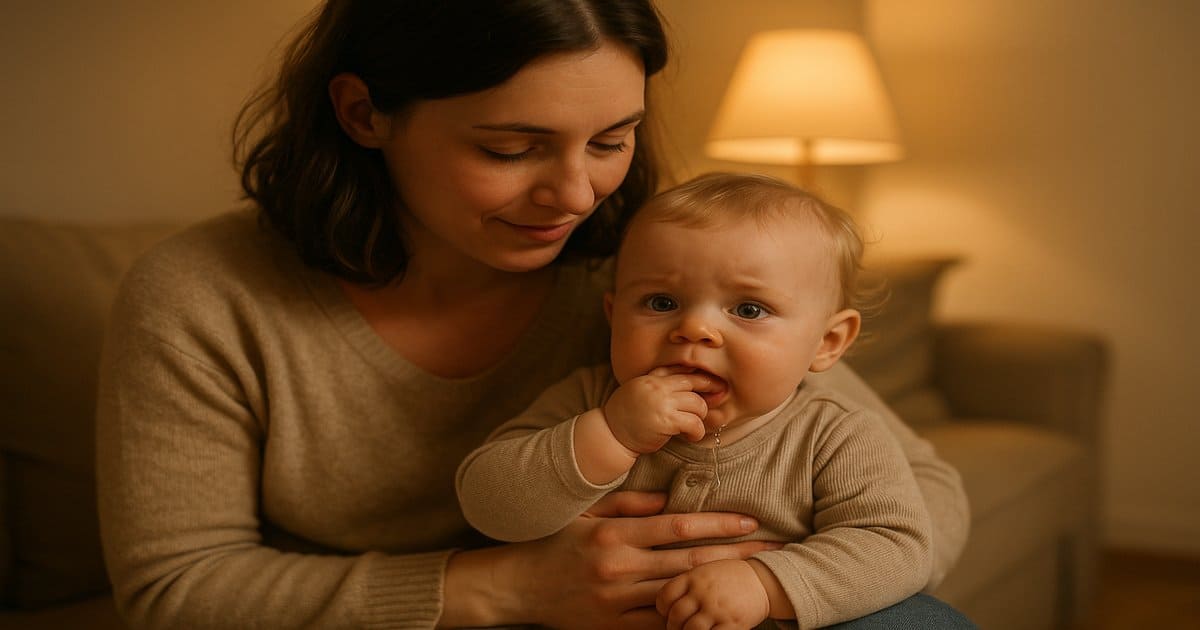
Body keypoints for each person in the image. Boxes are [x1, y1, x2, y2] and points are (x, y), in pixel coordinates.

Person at [95, 1, 969, 628]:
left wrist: (770, 581)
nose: (576, 194)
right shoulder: (205, 296)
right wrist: (507, 587)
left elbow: (920, 499)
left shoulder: (650, 263)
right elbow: (178, 589)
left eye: (611, 140)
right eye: (510, 149)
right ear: (364, 113)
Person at [457, 173, 950, 629]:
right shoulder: (592, 397)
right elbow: (487, 504)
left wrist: (766, 582)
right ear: (614, 315)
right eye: (661, 303)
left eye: (749, 309)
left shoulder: (836, 432)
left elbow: (897, 544)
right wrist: (608, 434)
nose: (694, 329)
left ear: (827, 344)